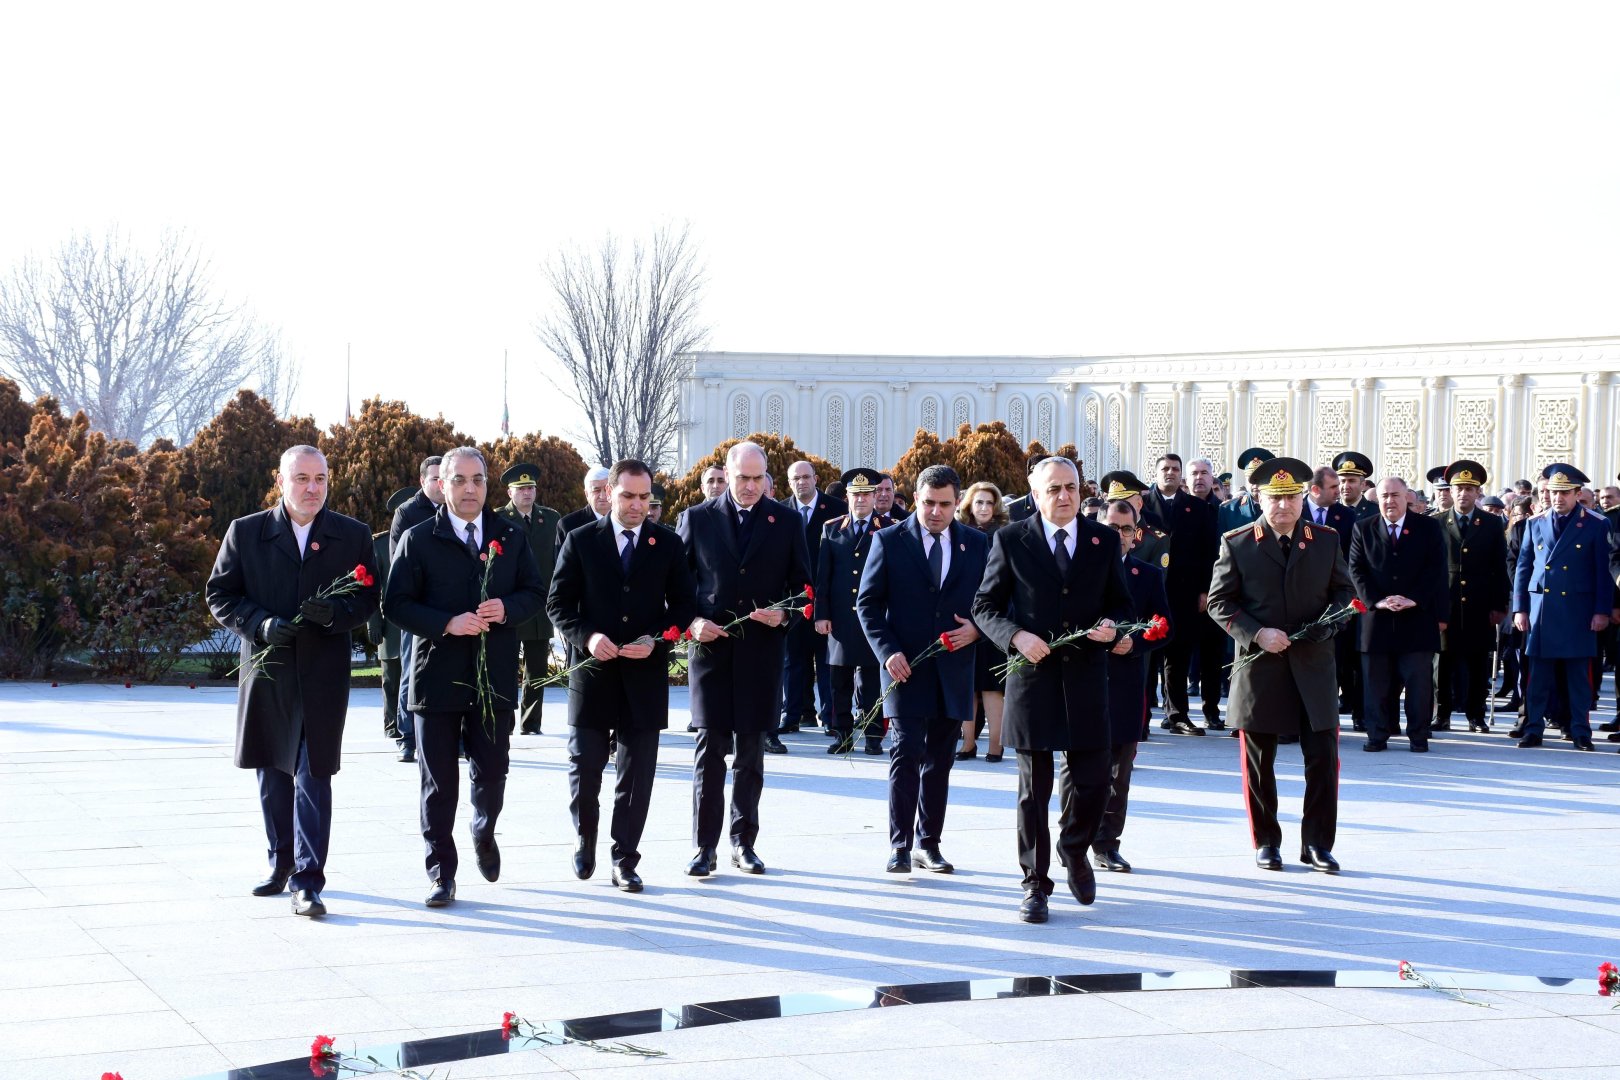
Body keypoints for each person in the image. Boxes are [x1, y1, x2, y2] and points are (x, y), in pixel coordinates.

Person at [206, 445, 380, 918]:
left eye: (320, 479)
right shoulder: (247, 532)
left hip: (322, 674)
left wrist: (336, 615)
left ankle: (309, 879)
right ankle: (280, 863)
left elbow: (367, 599)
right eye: (301, 478)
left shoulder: (352, 535)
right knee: (273, 772)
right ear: (280, 480)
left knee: (313, 772)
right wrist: (259, 624)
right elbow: (220, 593)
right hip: (269, 671)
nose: (312, 488)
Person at [384, 446, 547, 906]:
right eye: (459, 480)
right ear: (442, 484)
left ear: (487, 483)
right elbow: (395, 604)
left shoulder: (510, 537)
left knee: (493, 771)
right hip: (435, 679)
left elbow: (535, 593)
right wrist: (445, 623)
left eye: (477, 479)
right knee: (437, 784)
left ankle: (483, 828)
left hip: (492, 677)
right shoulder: (418, 538)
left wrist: (507, 608)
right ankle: (441, 873)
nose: (469, 488)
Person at [973, 456, 1133, 923]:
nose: (1064, 496)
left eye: (1071, 487)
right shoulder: (1010, 538)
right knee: (1033, 790)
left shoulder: (1103, 539)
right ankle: (1035, 884)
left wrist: (1114, 627)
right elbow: (985, 605)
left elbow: (1121, 603)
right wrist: (1015, 636)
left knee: (1093, 782)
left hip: (1086, 680)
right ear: (1035, 494)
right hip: (1033, 683)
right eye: (1054, 489)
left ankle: (1074, 848)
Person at [547, 459, 696, 892]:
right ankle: (585, 836)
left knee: (637, 775)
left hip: (644, 677)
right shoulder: (580, 541)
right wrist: (587, 637)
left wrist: (658, 640)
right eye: (627, 496)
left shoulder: (667, 544)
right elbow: (558, 604)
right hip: (593, 674)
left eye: (644, 497)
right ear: (608, 493)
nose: (636, 505)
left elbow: (684, 607)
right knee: (585, 768)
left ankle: (625, 857)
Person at [1207, 456, 1354, 874]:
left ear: (1304, 497)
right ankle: (1267, 841)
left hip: (1314, 663)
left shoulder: (1325, 540)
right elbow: (1219, 603)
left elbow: (1345, 595)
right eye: (1275, 498)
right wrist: (1257, 633)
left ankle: (1317, 845)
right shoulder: (1237, 542)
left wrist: (1327, 627)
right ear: (1259, 497)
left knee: (1323, 759)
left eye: (1291, 497)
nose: (1284, 506)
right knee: (1259, 762)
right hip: (1260, 666)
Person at [677, 440, 811, 876]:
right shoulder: (697, 518)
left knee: (750, 755)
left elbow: (804, 588)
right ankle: (704, 847)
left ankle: (743, 841)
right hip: (711, 651)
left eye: (758, 479)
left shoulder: (787, 521)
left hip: (760, 653)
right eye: (742, 479)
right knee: (708, 752)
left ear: (767, 477)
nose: (750, 487)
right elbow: (676, 586)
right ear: (727, 475)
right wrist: (691, 622)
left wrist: (784, 614)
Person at [858, 465, 988, 876]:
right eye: (928, 503)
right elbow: (868, 604)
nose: (935, 512)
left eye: (945, 504)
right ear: (915, 498)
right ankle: (900, 844)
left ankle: (928, 843)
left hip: (953, 666)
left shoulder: (977, 543)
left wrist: (978, 630)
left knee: (940, 758)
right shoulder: (888, 540)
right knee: (905, 751)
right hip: (903, 667)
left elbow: (993, 601)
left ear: (957, 502)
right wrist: (886, 651)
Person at [1093, 498, 1172, 873]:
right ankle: (1073, 837)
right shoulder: (1077, 572)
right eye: (1111, 528)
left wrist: (1135, 643)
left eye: (1125, 529)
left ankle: (1107, 843)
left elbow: (1164, 628)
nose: (1119, 535)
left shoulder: (1147, 575)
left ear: (1136, 535)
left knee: (1118, 771)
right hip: (1084, 680)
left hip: (1126, 683)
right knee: (1077, 768)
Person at [1510, 464, 1612, 751]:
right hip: (1542, 611)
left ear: (1577, 494)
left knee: (1579, 679)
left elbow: (1603, 572)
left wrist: (1601, 610)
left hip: (1578, 611)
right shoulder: (1535, 522)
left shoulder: (1595, 523)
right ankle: (1533, 729)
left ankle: (1580, 731)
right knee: (1537, 678)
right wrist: (1520, 608)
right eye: (1554, 492)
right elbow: (1524, 567)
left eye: (1565, 493)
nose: (1558, 498)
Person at [1348, 476, 1449, 752]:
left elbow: (1436, 569)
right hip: (1376, 619)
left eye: (1395, 495)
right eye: (1384, 496)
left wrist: (1413, 599)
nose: (1389, 501)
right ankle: (1377, 734)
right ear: (1376, 499)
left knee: (1418, 683)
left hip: (1417, 618)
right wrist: (1376, 601)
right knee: (1375, 683)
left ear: (1408, 498)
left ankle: (1418, 735)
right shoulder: (1362, 528)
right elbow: (1356, 570)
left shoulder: (1428, 528)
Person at [1143, 453, 1221, 735]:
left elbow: (1207, 553)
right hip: (1147, 591)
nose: (1170, 473)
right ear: (1155, 472)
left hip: (1184, 592)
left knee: (1178, 654)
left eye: (1175, 469)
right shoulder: (1141, 504)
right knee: (1146, 656)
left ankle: (1177, 715)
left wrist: (1204, 590)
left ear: (1182, 475)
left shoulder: (1196, 508)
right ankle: (1141, 718)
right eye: (1165, 468)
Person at [814, 469, 891, 755]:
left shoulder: (888, 527)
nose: (861, 500)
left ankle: (873, 736)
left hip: (875, 617)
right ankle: (843, 734)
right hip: (841, 617)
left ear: (875, 496)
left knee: (872, 680)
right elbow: (824, 576)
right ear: (847, 497)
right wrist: (821, 614)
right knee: (839, 682)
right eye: (855, 495)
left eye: (866, 494)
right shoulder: (832, 528)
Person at [1434, 460, 1511, 733]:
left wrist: (1500, 604)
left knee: (1478, 663)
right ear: (1450, 491)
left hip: (1480, 603)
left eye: (1469, 488)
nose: (1464, 493)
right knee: (1443, 663)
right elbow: (1429, 568)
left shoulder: (1491, 523)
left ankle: (1475, 716)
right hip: (1447, 602)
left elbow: (1499, 566)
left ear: (1478, 492)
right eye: (1459, 488)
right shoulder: (1436, 522)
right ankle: (1441, 714)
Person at [779, 460, 847, 748]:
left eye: (806, 477)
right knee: (792, 660)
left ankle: (831, 716)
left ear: (816, 479)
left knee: (827, 660)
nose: (802, 482)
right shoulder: (780, 511)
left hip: (826, 596)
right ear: (789, 481)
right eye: (796, 478)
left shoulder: (835, 510)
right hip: (792, 598)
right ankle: (791, 713)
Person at [496, 463, 560, 736]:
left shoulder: (551, 518)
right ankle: (506, 720)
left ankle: (531, 722)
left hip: (541, 605)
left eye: (531, 488)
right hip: (511, 603)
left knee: (537, 669)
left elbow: (559, 560)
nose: (527, 493)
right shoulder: (498, 519)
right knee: (506, 666)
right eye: (521, 489)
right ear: (510, 492)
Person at [388, 455, 445, 763]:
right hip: (419, 607)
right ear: (423, 481)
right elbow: (400, 560)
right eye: (435, 478)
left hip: (451, 608)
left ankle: (457, 735)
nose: (440, 483)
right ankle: (407, 736)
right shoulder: (408, 513)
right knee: (413, 670)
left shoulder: (456, 509)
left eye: (443, 477)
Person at [956, 480, 1010, 761]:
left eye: (990, 502)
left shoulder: (1005, 534)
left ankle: (996, 745)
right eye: (979, 502)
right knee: (966, 684)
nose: (984, 507)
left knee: (991, 686)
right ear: (969, 505)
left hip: (994, 616)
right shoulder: (959, 533)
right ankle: (967, 743)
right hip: (962, 616)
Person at [368, 486, 415, 744]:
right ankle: (391, 724)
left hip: (418, 622)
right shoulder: (380, 543)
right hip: (391, 623)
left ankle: (412, 725)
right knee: (392, 677)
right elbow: (372, 587)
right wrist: (373, 621)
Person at [1216, 448, 1272, 533]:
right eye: (1251, 478)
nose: (1255, 483)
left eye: (1261, 478)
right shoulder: (1228, 510)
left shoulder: (1281, 507)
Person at [558, 466, 612, 543]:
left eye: (607, 490)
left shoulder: (627, 520)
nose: (603, 496)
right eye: (596, 490)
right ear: (586, 494)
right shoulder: (568, 525)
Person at [1334, 451, 1379, 520]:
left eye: (1351, 481)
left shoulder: (1376, 512)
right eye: (1342, 481)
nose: (1346, 486)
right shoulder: (1329, 509)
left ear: (1363, 484)